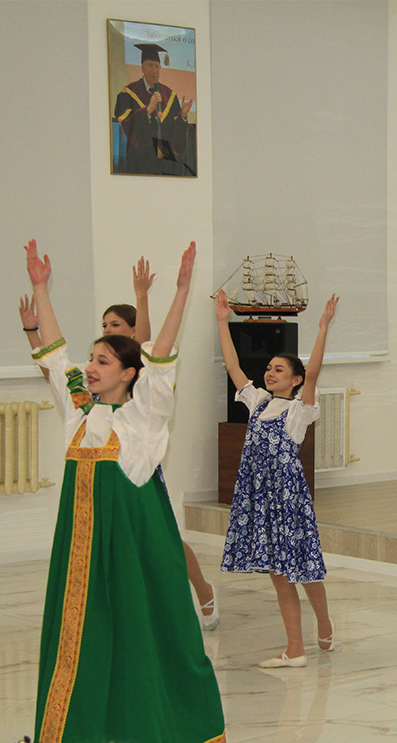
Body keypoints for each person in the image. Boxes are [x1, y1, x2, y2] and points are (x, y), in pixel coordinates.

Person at [25, 239, 225, 743]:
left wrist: (181, 291)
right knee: (82, 643)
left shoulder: (143, 418)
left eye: (103, 361)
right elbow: (56, 355)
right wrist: (40, 288)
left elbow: (162, 357)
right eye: (92, 358)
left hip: (129, 555)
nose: (91, 367)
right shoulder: (80, 411)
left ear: (129, 373)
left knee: (144, 640)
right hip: (80, 555)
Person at [217, 289, 338, 668]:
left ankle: (324, 620)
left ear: (296, 380)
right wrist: (222, 321)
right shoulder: (258, 402)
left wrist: (322, 328)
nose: (270, 373)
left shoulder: (299, 411)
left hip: (287, 499)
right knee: (278, 572)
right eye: (269, 368)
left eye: (279, 370)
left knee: (304, 569)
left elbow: (314, 372)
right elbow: (233, 366)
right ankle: (295, 649)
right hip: (259, 499)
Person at [113, 43, 194, 175]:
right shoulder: (129, 92)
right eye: (150, 65)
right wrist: (148, 110)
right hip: (139, 158)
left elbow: (175, 132)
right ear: (142, 68)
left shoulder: (169, 94)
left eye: (157, 66)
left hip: (164, 159)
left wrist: (183, 116)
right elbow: (125, 119)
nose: (154, 70)